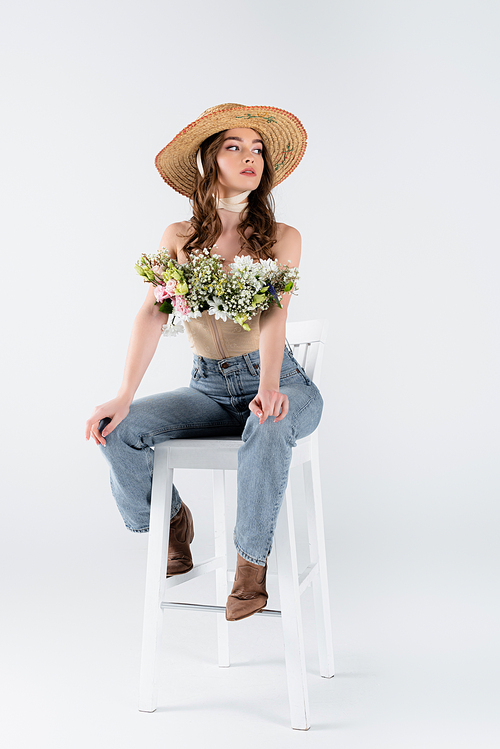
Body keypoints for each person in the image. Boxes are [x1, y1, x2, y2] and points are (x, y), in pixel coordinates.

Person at [85, 103, 323, 621]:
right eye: (234, 147)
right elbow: (152, 314)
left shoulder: (284, 238)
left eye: (256, 149)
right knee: (116, 429)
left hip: (280, 382)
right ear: (209, 161)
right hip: (207, 390)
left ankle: (250, 568)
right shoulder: (179, 237)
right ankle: (174, 523)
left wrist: (268, 386)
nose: (249, 157)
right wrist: (123, 395)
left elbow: (275, 318)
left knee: (268, 420)